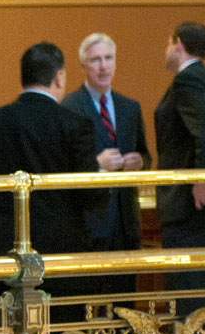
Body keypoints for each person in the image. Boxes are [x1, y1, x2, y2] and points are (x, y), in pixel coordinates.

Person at [0, 42, 102, 299]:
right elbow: (93, 197)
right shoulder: (75, 125)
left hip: (1, 254)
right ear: (59, 77)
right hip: (62, 257)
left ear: (23, 76)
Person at [60, 33, 146, 297]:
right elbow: (62, 163)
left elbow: (145, 153)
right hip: (88, 222)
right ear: (83, 66)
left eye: (109, 58)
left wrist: (140, 162)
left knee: (124, 301)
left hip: (125, 221)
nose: (103, 66)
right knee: (89, 299)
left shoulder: (130, 107)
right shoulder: (69, 106)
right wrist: (97, 163)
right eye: (95, 60)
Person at [153, 21, 205, 311]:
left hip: (188, 205)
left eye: (167, 44)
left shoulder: (188, 80)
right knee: (204, 294)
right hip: (201, 207)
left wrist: (202, 179)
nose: (166, 51)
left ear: (178, 43)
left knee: (189, 295)